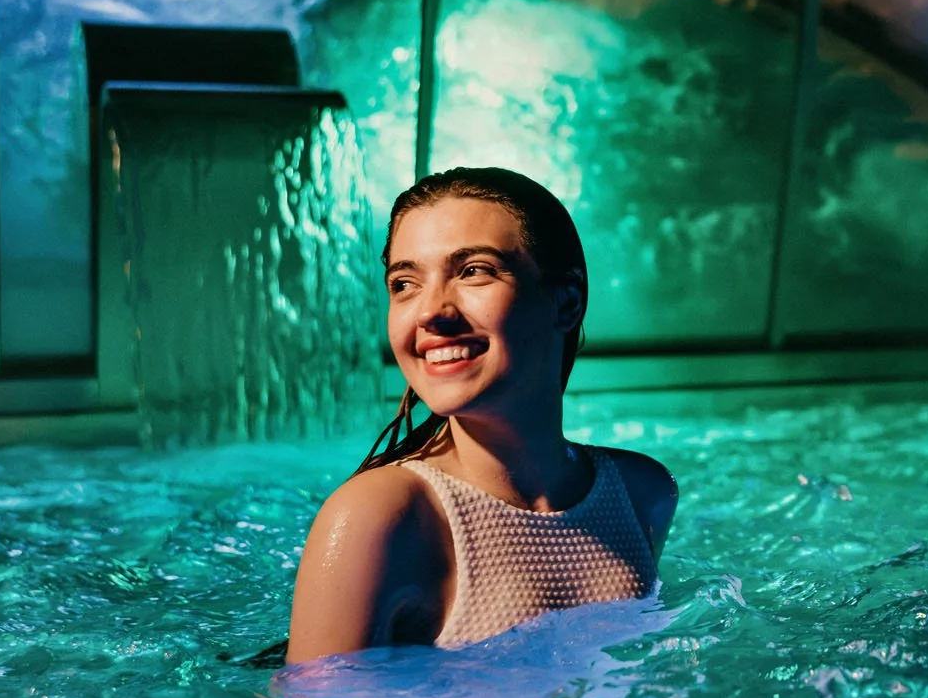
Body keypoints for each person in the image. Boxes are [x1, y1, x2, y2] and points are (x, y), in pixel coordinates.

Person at [285, 167, 677, 664]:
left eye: (474, 271)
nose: (430, 312)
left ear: (567, 301)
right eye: (404, 283)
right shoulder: (381, 519)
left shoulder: (642, 493)